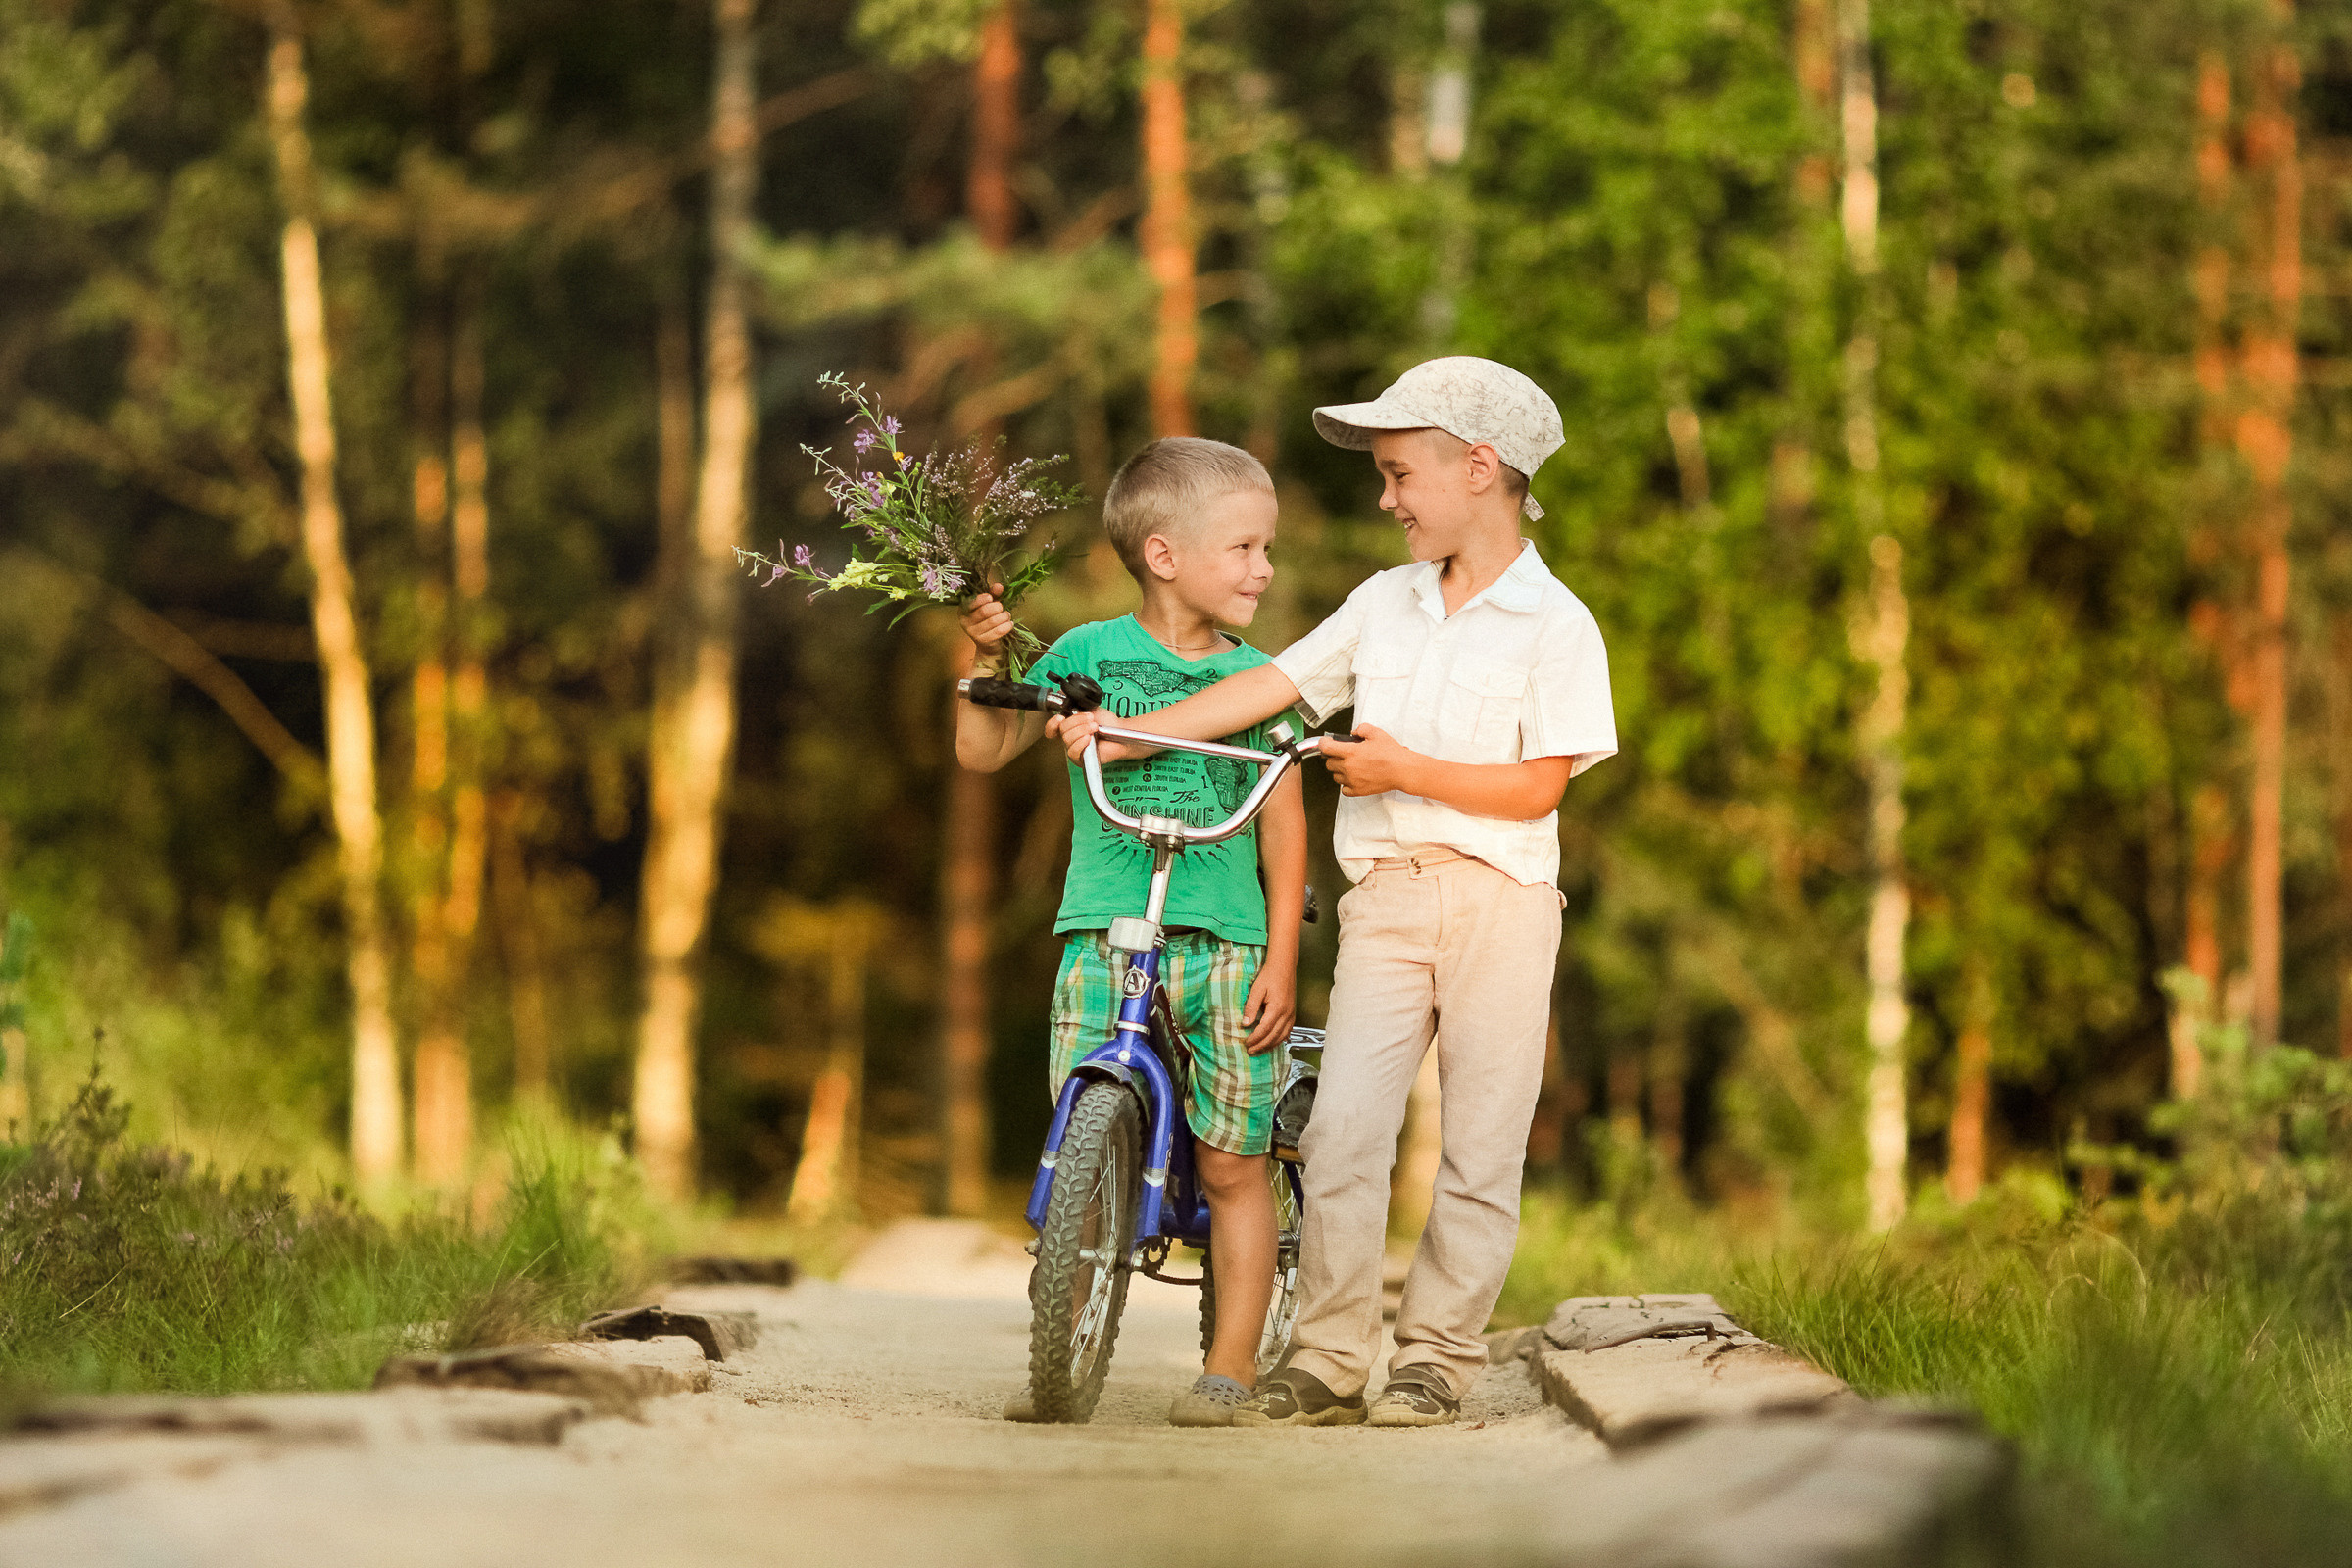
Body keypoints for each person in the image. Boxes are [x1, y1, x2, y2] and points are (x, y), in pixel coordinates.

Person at [1051, 358, 1616, 1428]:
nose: (1385, 496)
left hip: (1503, 904)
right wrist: (1122, 737)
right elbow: (1265, 687)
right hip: (1388, 902)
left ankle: (1437, 1356)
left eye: (1401, 474)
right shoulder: (1384, 604)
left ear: (1480, 470)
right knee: (1345, 1131)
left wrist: (1406, 771)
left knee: (1481, 1144)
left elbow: (1542, 784)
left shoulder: (1557, 624)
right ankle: (1328, 1356)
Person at [956, 436, 1308, 1429]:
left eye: (1265, 548)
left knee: (1237, 1160)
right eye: (1243, 548)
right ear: (1164, 554)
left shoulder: (1262, 678)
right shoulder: (1081, 658)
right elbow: (983, 749)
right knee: (1081, 1136)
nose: (1263, 568)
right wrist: (988, 655)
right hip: (1103, 931)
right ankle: (1058, 1343)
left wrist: (1284, 952)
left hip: (1231, 937)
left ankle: (1229, 1370)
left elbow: (1285, 818)